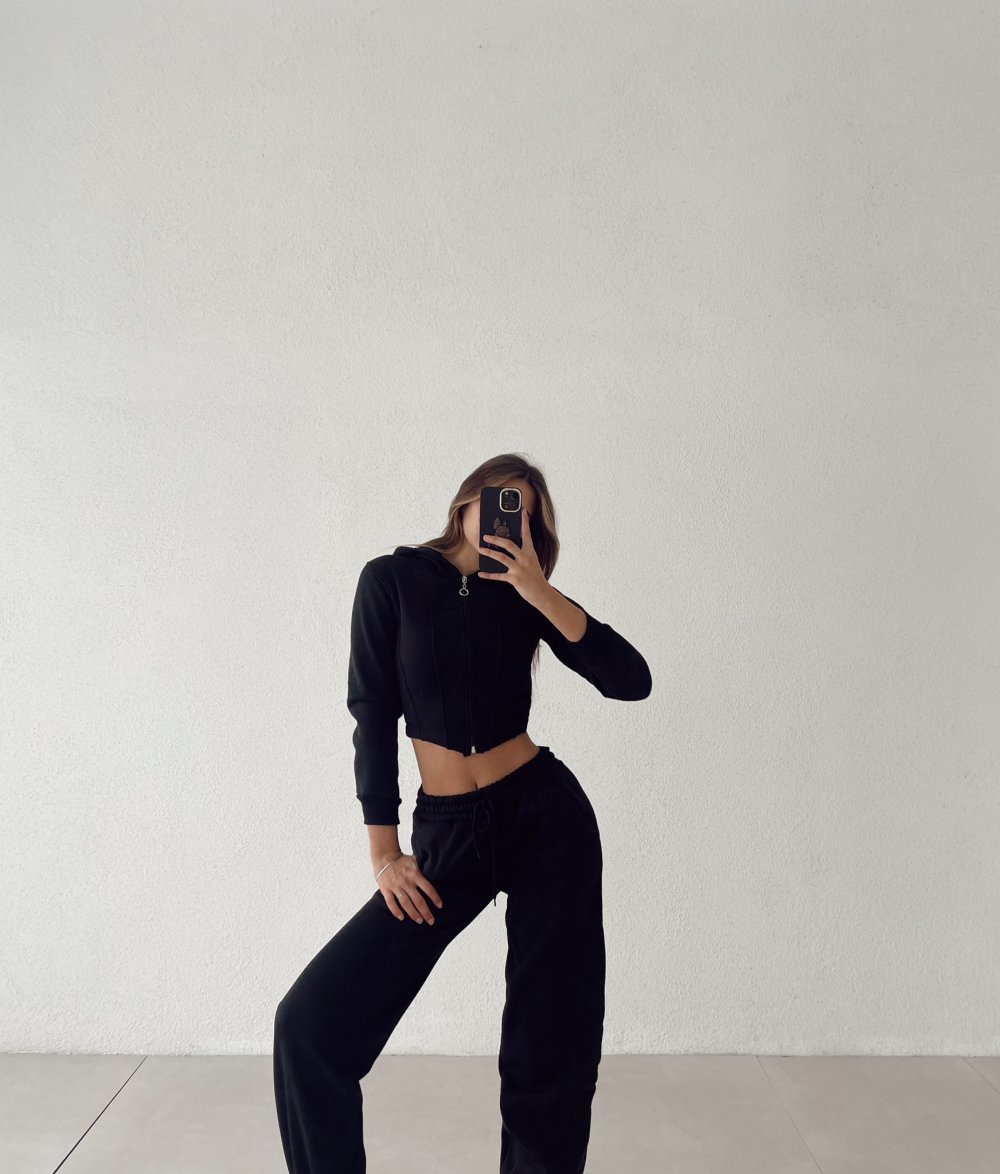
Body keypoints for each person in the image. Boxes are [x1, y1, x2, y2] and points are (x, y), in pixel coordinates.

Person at [272, 453, 652, 1174]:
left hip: (546, 823)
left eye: (527, 517)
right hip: (449, 835)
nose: (511, 521)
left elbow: (632, 681)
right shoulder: (391, 581)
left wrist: (539, 589)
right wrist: (384, 852)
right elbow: (372, 715)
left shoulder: (524, 594)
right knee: (309, 1027)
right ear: (466, 501)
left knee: (550, 1048)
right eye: (502, 501)